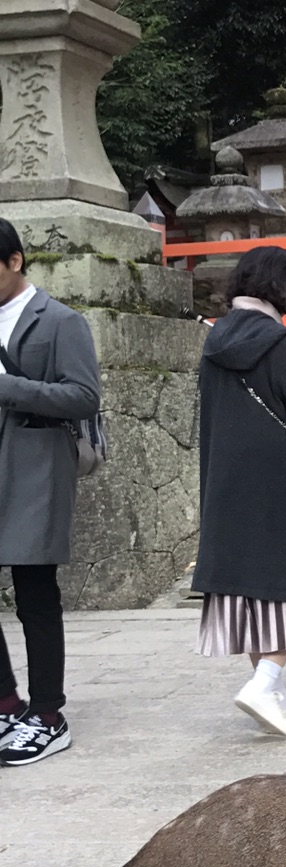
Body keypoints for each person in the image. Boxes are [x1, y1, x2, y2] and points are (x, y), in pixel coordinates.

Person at [192, 246, 286, 737]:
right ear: (285, 289)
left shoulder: (215, 343)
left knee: (253, 589)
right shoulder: (278, 342)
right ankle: (267, 680)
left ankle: (273, 693)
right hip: (277, 484)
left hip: (226, 485)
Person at [0, 219, 102, 767]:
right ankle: (5, 702)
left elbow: (84, 396)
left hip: (35, 469)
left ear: (15, 261)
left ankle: (47, 713)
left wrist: (7, 387)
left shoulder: (61, 321)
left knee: (34, 590)